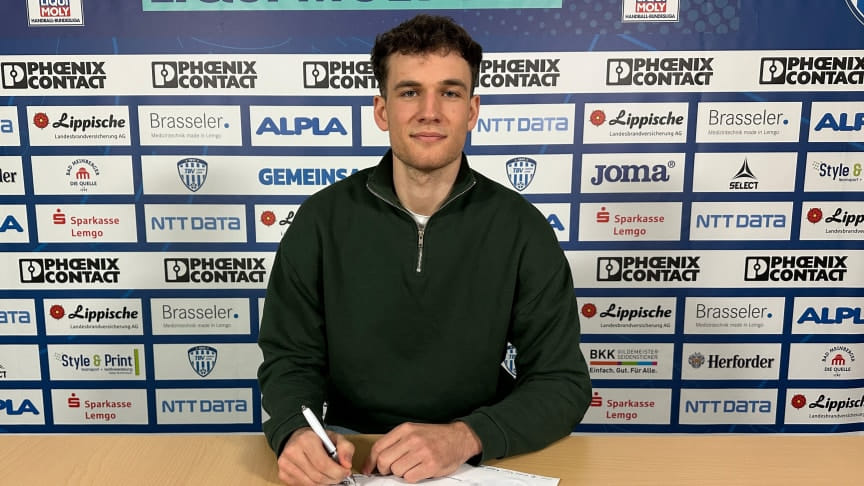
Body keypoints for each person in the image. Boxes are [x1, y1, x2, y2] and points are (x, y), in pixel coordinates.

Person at [257, 14, 592, 486]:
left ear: (472, 111)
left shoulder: (522, 228)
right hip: (353, 453)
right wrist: (295, 430)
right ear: (382, 110)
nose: (429, 111)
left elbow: (563, 382)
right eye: (410, 92)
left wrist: (467, 436)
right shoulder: (320, 220)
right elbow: (290, 360)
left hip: (474, 459)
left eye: (450, 93)